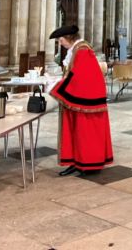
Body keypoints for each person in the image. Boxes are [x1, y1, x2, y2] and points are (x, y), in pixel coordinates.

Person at [48, 25, 113, 176]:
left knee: (86, 133)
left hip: (86, 100)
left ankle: (89, 164)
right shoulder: (77, 50)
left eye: (61, 40)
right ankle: (75, 161)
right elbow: (73, 75)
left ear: (69, 38)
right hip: (80, 99)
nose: (60, 43)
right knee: (74, 132)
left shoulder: (82, 51)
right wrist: (60, 83)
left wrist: (58, 87)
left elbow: (81, 78)